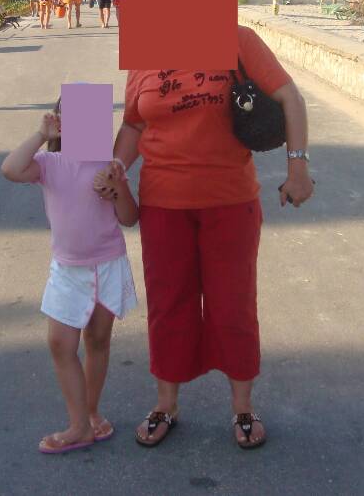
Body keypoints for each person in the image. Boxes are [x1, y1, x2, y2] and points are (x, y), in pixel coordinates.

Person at [96, 26, 313, 450]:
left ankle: (243, 407)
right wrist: (114, 168)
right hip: (163, 205)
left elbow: (291, 98)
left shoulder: (237, 39)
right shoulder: (146, 49)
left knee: (233, 304)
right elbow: (134, 125)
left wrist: (298, 168)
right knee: (168, 305)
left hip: (230, 202)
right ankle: (166, 405)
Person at [0, 100, 139, 454]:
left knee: (97, 341)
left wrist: (117, 188)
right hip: (67, 270)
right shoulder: (50, 163)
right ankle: (78, 425)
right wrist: (40, 135)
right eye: (73, 118)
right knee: (60, 344)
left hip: (106, 265)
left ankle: (90, 414)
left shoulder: (110, 166)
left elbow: (129, 217)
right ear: (62, 124)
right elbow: (11, 169)